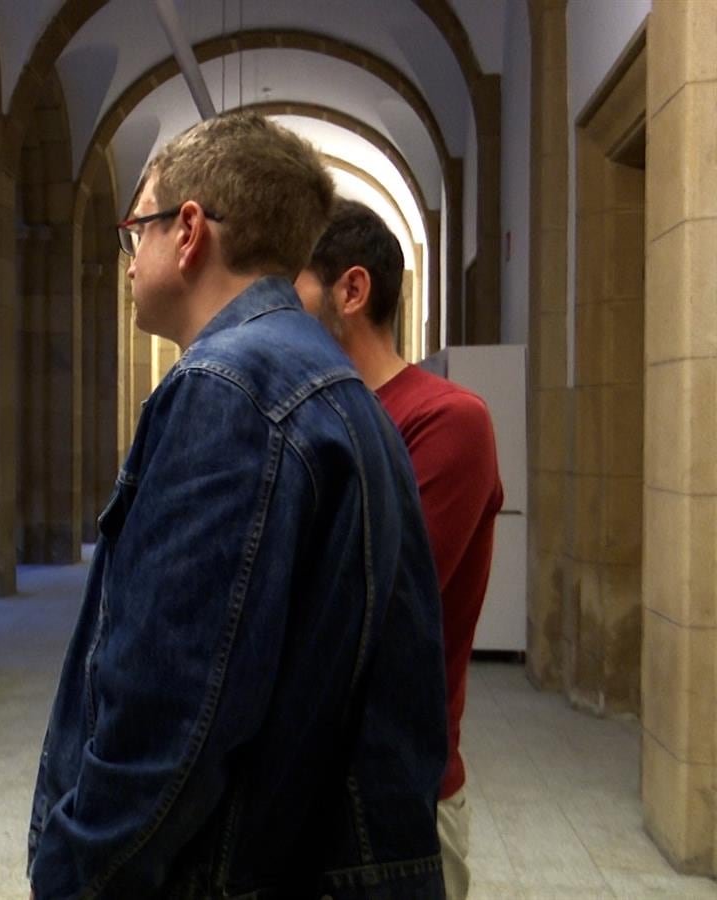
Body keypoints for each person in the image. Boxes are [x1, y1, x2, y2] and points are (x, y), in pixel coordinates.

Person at [27, 113, 447, 899]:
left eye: (135, 231)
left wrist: (77, 872)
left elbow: (170, 710)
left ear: (187, 231)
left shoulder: (226, 389)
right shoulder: (334, 381)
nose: (127, 262)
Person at [296, 199, 504, 900]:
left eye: (289, 287)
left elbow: (362, 602)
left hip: (397, 794)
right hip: (298, 787)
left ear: (351, 290)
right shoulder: (310, 415)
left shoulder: (447, 419)